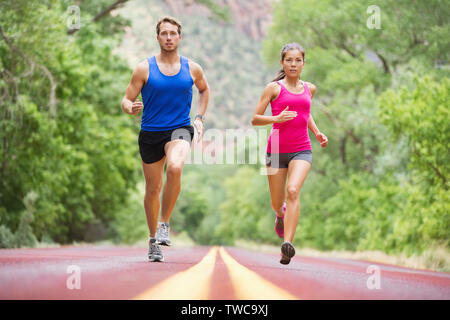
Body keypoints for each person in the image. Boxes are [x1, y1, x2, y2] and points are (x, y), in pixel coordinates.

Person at [121, 17, 210, 262]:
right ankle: (153, 240)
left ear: (180, 38)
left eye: (173, 33)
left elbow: (204, 90)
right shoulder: (144, 68)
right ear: (158, 37)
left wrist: (199, 117)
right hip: (150, 133)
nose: (169, 37)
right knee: (152, 190)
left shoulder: (192, 68)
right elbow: (126, 98)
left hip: (179, 129)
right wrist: (129, 107)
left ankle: (164, 223)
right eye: (164, 33)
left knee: (175, 167)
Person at [251, 43, 328, 265]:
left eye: (298, 60)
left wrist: (317, 132)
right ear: (283, 63)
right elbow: (255, 118)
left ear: (303, 63)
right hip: (275, 150)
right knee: (277, 202)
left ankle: (287, 245)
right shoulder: (273, 88)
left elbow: (306, 113)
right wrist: (275, 119)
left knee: (293, 191)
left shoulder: (309, 88)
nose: (293, 64)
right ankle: (280, 215)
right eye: (289, 60)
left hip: (301, 149)